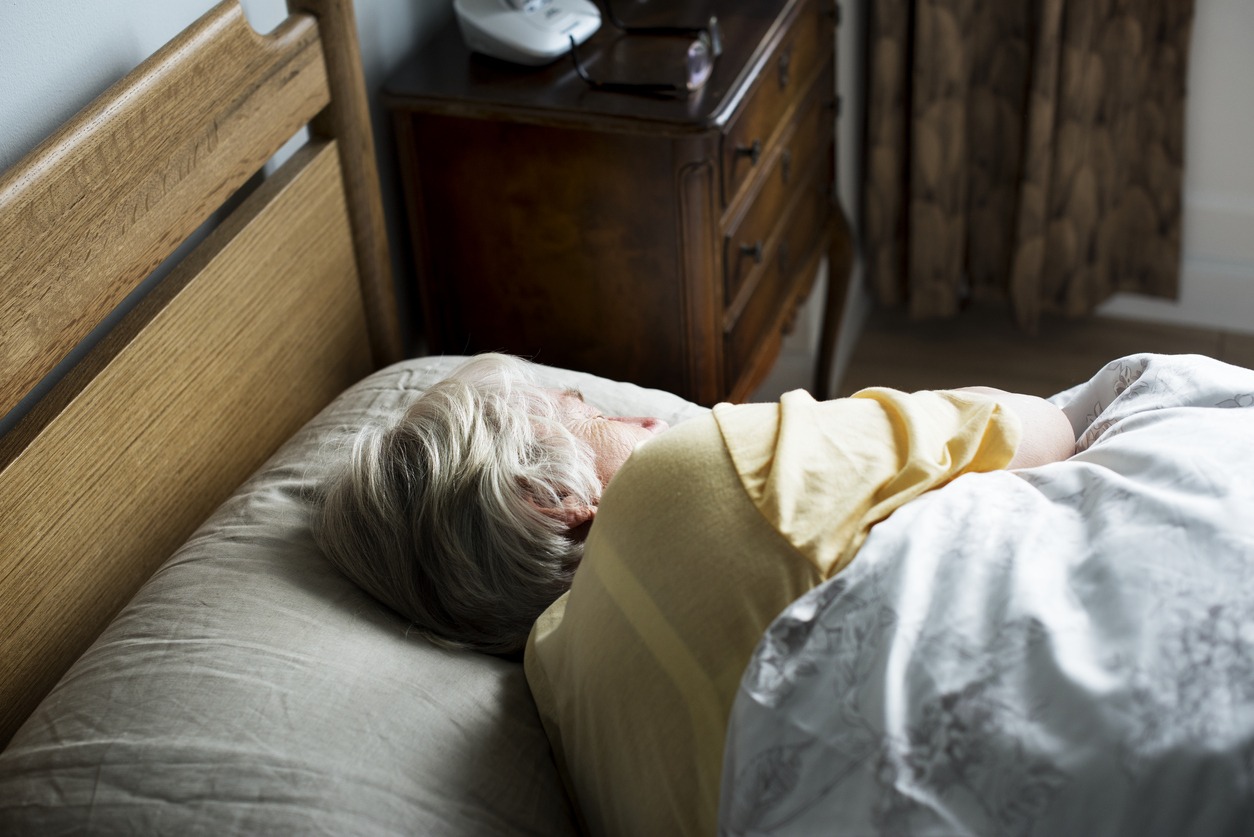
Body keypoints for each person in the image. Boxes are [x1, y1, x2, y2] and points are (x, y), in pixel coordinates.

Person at [313, 352, 1075, 835]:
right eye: (595, 413)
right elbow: (1038, 429)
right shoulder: (679, 477)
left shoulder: (560, 696)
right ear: (548, 495)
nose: (645, 415)